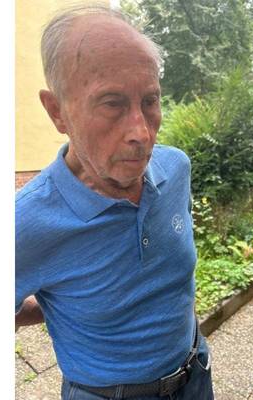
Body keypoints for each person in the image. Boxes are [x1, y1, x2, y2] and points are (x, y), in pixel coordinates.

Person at [15, 6, 214, 400]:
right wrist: (58, 309)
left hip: (195, 376)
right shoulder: (26, 222)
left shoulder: (176, 168)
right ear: (57, 111)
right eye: (112, 103)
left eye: (150, 100)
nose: (141, 132)